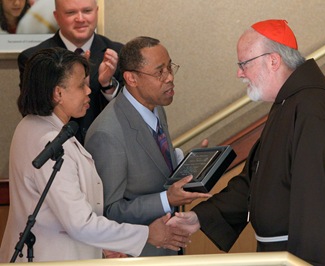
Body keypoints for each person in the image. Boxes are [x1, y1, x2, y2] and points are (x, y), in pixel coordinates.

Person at [168, 19, 325, 265]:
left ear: (273, 60)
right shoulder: (289, 102)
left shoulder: (311, 110)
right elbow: (258, 179)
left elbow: (314, 206)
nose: (239, 73)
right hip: (282, 252)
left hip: (309, 255)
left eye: (244, 64)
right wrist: (201, 217)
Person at [0, 47, 190, 263]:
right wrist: (147, 234)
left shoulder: (32, 126)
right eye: (81, 85)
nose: (89, 90)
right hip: (54, 257)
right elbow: (79, 223)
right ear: (58, 93)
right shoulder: (47, 139)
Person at [84, 36, 211, 257]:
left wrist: (188, 166)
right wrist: (166, 199)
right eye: (159, 72)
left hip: (168, 250)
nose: (170, 77)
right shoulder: (107, 133)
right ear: (131, 78)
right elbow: (109, 212)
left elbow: (156, 168)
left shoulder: (155, 107)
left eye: (170, 67)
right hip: (139, 255)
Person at [17, 0, 122, 144]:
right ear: (56, 16)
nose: (80, 19)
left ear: (96, 12)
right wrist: (73, 89)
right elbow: (32, 111)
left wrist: (107, 85)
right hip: (56, 151)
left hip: (109, 149)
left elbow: (128, 112)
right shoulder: (34, 58)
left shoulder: (118, 53)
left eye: (87, 11)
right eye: (71, 12)